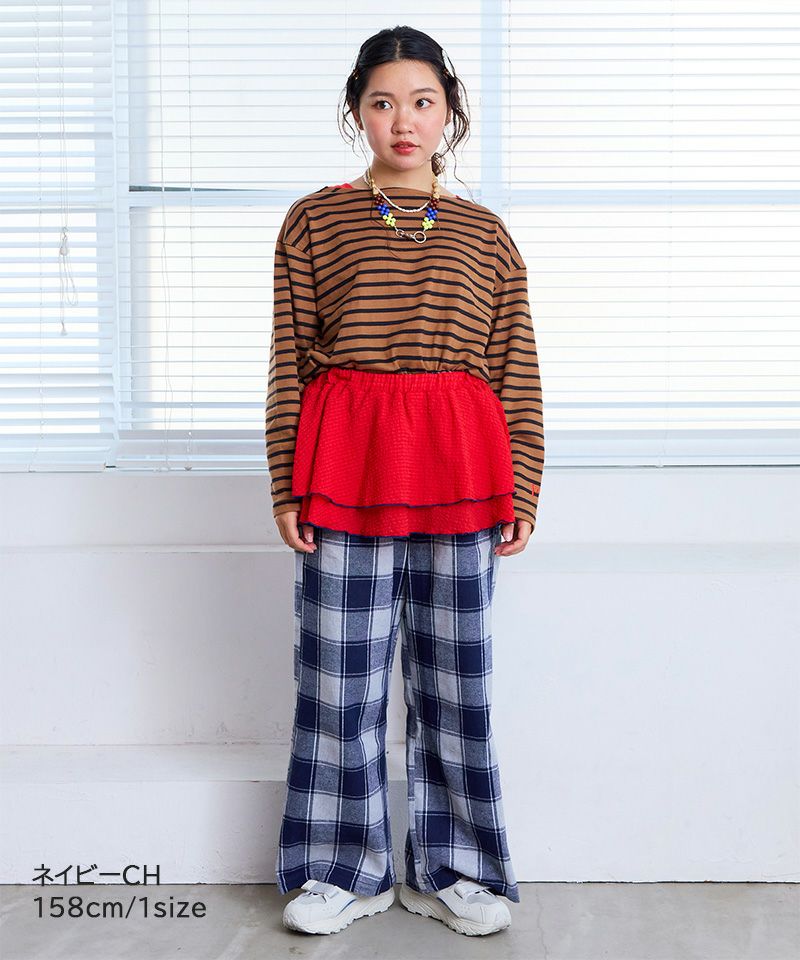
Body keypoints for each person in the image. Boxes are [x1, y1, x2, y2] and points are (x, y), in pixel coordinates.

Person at [265, 26, 544, 938]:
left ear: (449, 111)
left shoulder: (485, 232)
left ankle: (455, 869)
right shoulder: (314, 220)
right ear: (357, 112)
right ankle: (342, 870)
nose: (403, 121)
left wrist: (524, 486)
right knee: (339, 682)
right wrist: (284, 483)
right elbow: (289, 358)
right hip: (343, 468)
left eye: (422, 102)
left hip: (463, 471)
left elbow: (514, 366)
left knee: (455, 684)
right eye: (383, 102)